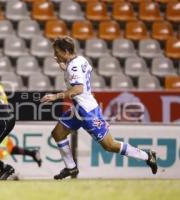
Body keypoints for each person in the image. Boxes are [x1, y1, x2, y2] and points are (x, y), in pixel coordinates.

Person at [40, 36, 158, 180]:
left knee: (109, 145)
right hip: (79, 109)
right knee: (58, 133)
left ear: (66, 51)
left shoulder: (73, 66)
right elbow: (81, 73)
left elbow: (78, 89)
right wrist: (63, 65)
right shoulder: (80, 60)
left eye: (57, 52)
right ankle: (71, 168)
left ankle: (147, 156)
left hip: (88, 111)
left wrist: (55, 96)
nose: (55, 55)